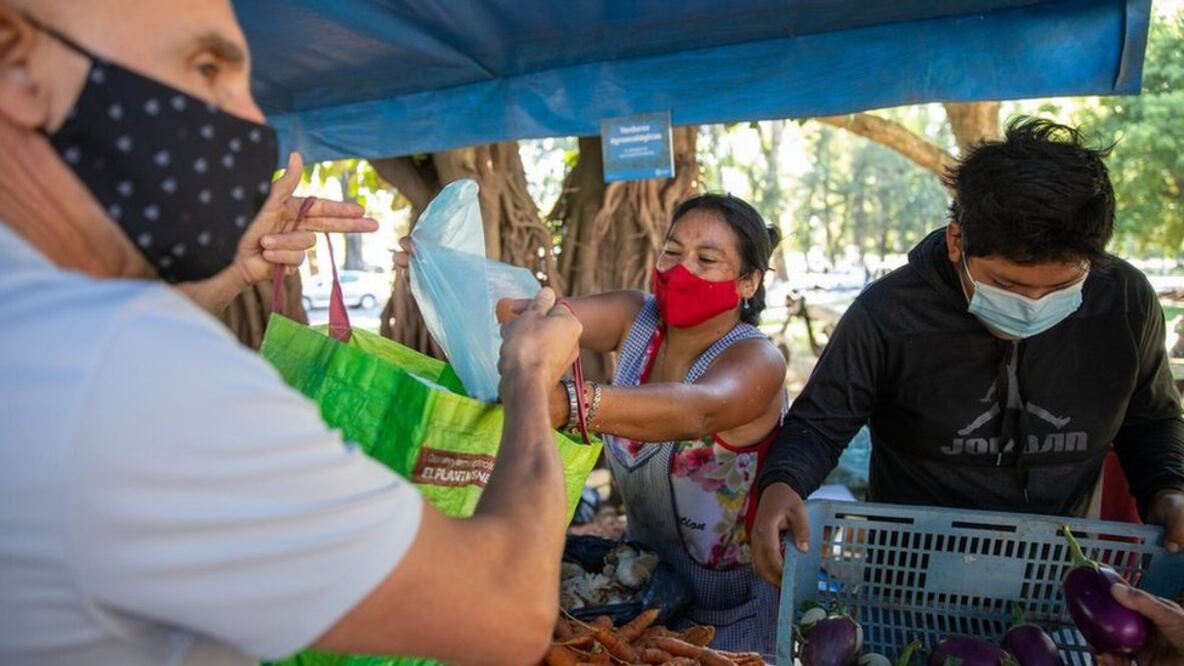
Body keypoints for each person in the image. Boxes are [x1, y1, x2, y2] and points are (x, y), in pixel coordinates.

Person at [0, 2, 582, 665]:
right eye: (207, 65)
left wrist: (219, 280)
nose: (251, 119)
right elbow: (504, 611)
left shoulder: (45, 333)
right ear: (19, 66)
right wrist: (529, 377)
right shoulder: (128, 369)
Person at [750, 117, 1184, 645]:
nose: (1032, 305)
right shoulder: (889, 314)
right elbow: (819, 424)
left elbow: (1152, 418)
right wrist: (782, 485)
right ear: (958, 240)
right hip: (909, 591)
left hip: (1065, 591)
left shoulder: (1125, 302)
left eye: (1062, 287)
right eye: (1007, 284)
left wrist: (1168, 485)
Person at [457, 194, 787, 656]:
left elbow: (698, 410)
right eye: (671, 252)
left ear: (748, 282)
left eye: (706, 260)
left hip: (733, 619)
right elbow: (526, 315)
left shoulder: (757, 359)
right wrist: (442, 269)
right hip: (642, 604)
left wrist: (566, 405)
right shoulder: (637, 318)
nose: (680, 269)